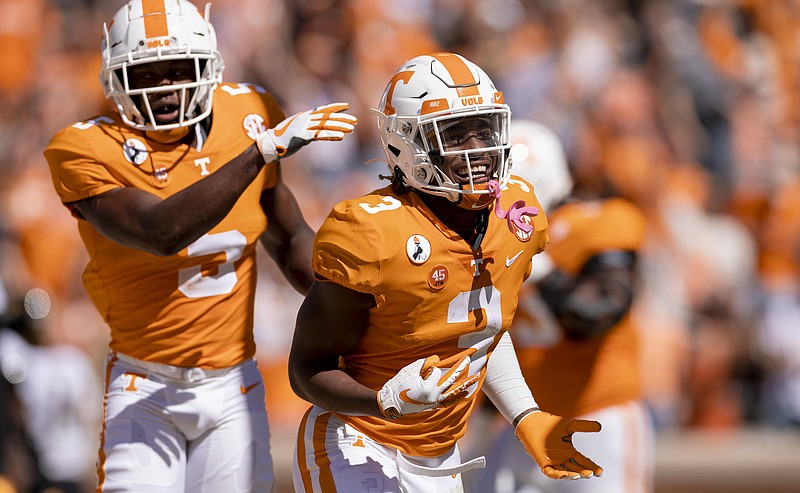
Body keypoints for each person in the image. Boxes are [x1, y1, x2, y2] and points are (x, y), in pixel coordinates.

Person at [42, 1, 356, 491]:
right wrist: (259, 154)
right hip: (143, 384)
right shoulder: (85, 148)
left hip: (233, 383)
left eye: (178, 70)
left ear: (208, 68)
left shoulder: (249, 114)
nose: (166, 87)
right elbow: (161, 232)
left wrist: (361, 315)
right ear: (115, 80)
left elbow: (290, 237)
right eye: (147, 73)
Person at [287, 52, 603, 493]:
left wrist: (526, 415)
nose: (478, 151)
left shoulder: (518, 213)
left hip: (442, 455)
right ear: (408, 143)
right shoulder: (372, 231)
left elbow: (481, 329)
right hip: (359, 440)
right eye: (456, 135)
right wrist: (380, 402)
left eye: (484, 130)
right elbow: (306, 368)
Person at [470, 120, 654, 493]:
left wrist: (541, 270)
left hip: (599, 418)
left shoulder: (597, 223)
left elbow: (601, 310)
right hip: (522, 422)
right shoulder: (481, 243)